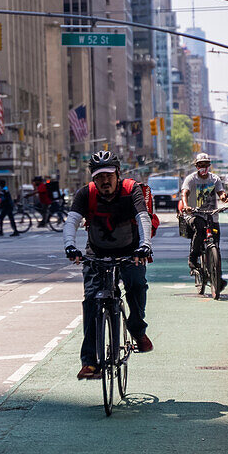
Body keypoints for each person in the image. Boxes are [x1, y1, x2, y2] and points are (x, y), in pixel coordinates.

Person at [63, 151, 154, 380]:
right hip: (97, 254)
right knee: (92, 302)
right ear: (93, 179)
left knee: (136, 285)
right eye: (99, 176)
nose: (104, 181)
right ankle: (90, 363)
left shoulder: (131, 190)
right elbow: (72, 221)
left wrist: (145, 245)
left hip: (131, 251)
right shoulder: (86, 194)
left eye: (108, 175)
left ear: (117, 174)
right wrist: (69, 246)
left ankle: (136, 327)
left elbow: (143, 217)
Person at [181, 153, 228, 290]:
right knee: (200, 226)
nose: (203, 168)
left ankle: (216, 277)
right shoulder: (191, 179)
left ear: (209, 166)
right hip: (194, 214)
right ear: (197, 166)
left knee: (216, 245)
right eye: (200, 165)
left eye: (206, 165)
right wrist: (186, 205)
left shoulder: (214, 179)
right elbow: (184, 193)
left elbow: (220, 192)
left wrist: (224, 198)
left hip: (212, 215)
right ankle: (193, 258)